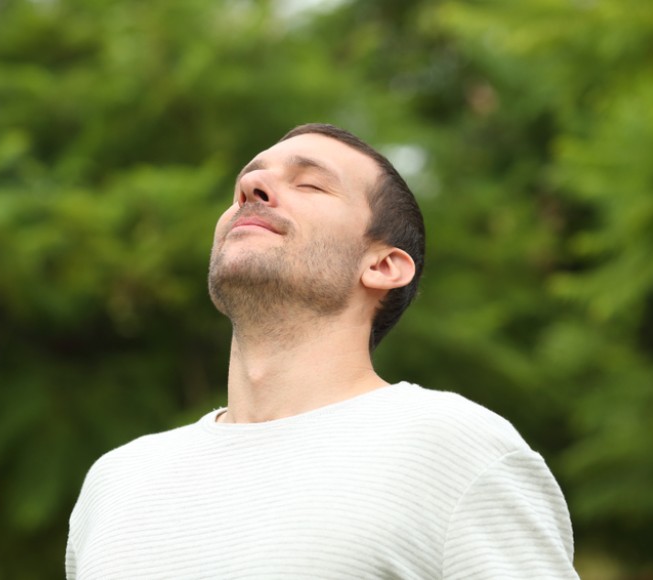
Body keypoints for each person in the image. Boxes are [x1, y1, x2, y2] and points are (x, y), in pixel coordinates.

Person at [65, 123, 577, 579]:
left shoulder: (454, 451)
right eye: (248, 182)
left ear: (382, 266)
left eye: (309, 183)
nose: (250, 188)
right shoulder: (118, 481)